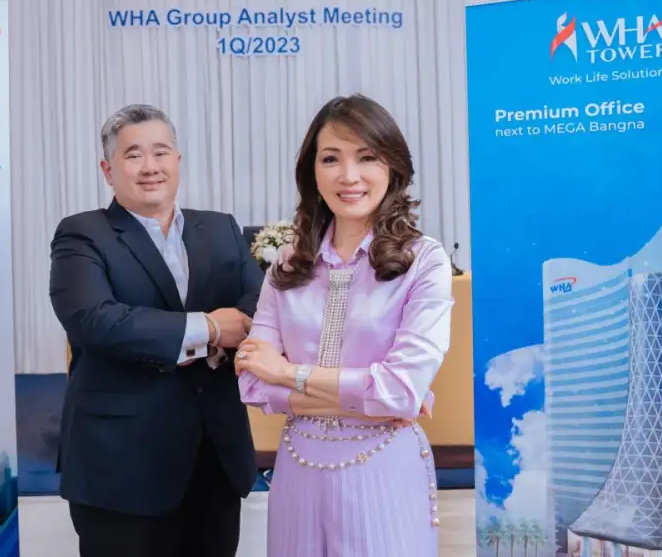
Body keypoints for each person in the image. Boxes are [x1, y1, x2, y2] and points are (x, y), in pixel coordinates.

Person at [235, 94, 453, 557]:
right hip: (298, 473)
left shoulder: (424, 261)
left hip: (384, 469)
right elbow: (252, 382)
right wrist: (370, 399)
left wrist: (287, 373)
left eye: (367, 157)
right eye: (331, 158)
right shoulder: (288, 262)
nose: (348, 176)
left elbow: (401, 389)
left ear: (393, 167)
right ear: (312, 172)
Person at [49, 104, 263, 557]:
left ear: (177, 160)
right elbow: (95, 320)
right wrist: (209, 329)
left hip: (213, 456)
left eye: (161, 152)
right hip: (121, 464)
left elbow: (258, 308)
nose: (150, 167)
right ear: (108, 170)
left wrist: (226, 336)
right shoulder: (83, 234)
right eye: (134, 155)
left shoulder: (221, 228)